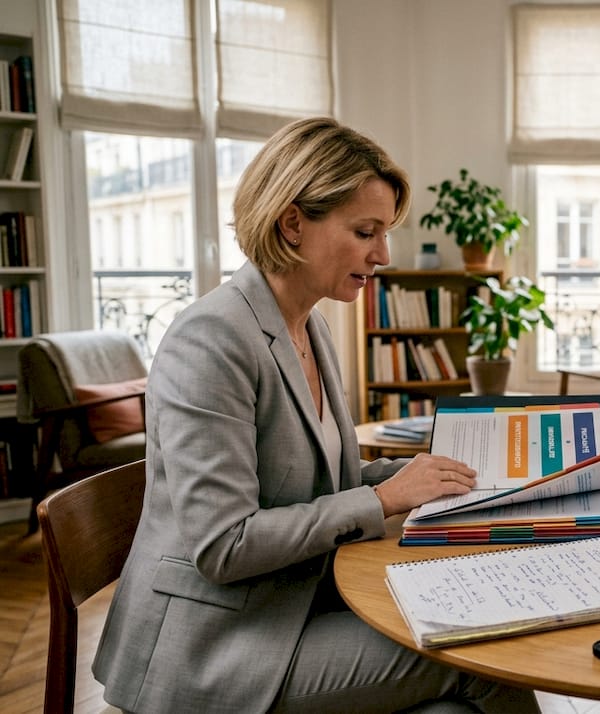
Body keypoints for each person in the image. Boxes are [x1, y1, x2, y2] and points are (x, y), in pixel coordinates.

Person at [92, 118, 540, 713]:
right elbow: (224, 544)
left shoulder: (310, 326)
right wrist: (384, 498)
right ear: (292, 223)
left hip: (294, 600)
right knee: (481, 653)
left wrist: (427, 474)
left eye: (384, 234)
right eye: (365, 232)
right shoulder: (211, 340)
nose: (383, 255)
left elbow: (321, 479)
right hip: (216, 646)